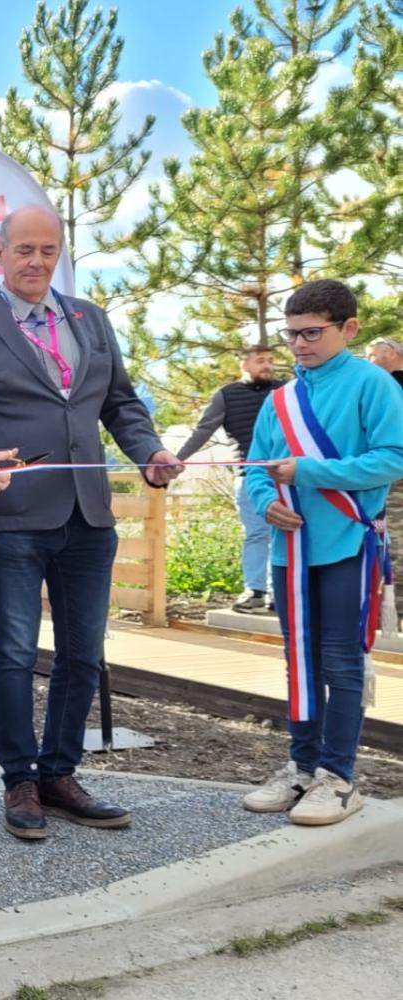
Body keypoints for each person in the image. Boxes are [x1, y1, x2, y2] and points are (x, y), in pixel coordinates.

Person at [0, 205, 183, 841]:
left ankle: (60, 773)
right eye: (24, 250)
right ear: (0, 252)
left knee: (84, 652)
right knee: (16, 652)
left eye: (48, 251)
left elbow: (121, 404)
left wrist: (150, 453)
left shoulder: (91, 320)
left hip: (90, 515)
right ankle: (18, 778)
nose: (36, 262)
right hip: (19, 515)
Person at [242, 280, 403, 825]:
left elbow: (391, 459)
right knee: (300, 661)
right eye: (291, 335)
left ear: (349, 329)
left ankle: (339, 778)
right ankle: (302, 767)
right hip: (291, 550)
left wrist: (310, 471)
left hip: (346, 544)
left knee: (339, 660)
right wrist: (266, 503)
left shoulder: (373, 384)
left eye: (312, 332)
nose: (299, 345)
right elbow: (258, 468)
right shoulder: (280, 399)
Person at [176, 345, 286, 614]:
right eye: (261, 361)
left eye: (271, 361)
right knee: (256, 534)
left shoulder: (287, 390)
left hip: (288, 474)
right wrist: (177, 459)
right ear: (244, 365)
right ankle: (256, 591)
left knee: (285, 534)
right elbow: (203, 430)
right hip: (250, 475)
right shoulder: (227, 395)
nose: (267, 366)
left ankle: (281, 593)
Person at [363, 337, 403, 622]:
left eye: (371, 355)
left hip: (394, 477)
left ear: (391, 353)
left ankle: (395, 609)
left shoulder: (386, 388)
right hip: (389, 473)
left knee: (395, 543)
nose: (368, 362)